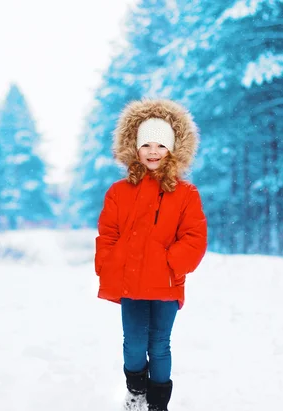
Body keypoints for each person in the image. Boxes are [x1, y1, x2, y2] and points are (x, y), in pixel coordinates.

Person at [94, 98, 207, 411]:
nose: (153, 151)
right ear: (135, 147)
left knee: (159, 345)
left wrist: (172, 263)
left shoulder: (185, 193)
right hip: (130, 282)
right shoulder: (119, 191)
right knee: (133, 343)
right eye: (146, 145)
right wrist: (107, 264)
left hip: (166, 284)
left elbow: (194, 236)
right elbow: (108, 234)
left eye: (160, 145)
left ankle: (158, 404)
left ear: (172, 149)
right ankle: (136, 391)